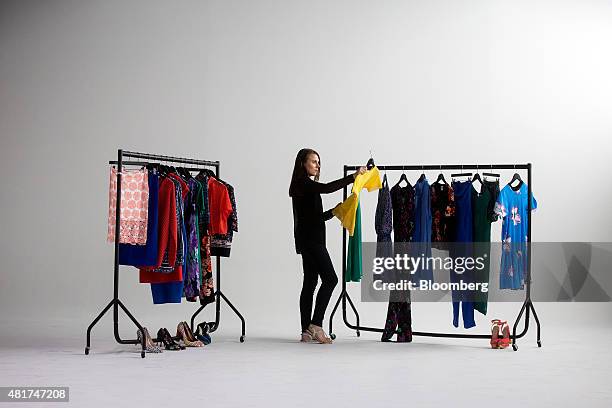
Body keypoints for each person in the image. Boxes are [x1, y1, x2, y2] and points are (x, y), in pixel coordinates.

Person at [289, 148, 366, 344]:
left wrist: (336, 210)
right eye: (313, 161)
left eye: (318, 162)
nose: (317, 165)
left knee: (310, 283)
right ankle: (316, 325)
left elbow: (315, 218)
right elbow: (328, 188)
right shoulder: (304, 183)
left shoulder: (303, 186)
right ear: (302, 164)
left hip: (307, 240)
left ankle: (305, 330)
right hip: (312, 241)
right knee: (331, 279)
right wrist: (353, 177)